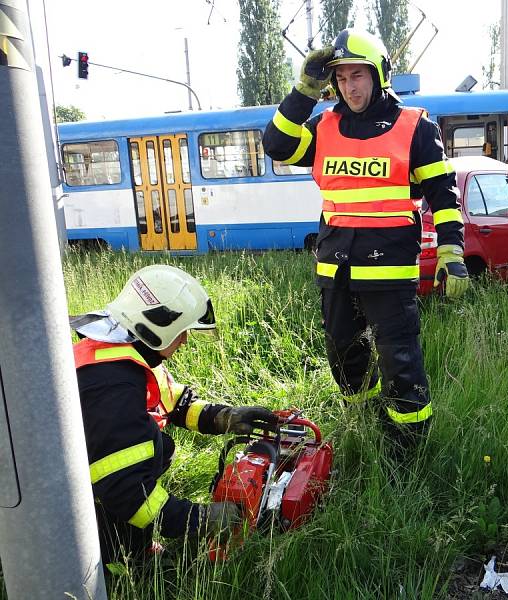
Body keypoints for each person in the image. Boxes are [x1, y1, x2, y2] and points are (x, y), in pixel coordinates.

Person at [262, 29, 468, 452]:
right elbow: (276, 145)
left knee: (401, 364)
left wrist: (452, 251)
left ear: (378, 74)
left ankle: (409, 451)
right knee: (344, 357)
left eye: (357, 74)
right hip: (334, 267)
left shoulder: (415, 127)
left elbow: (443, 196)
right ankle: (367, 425)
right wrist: (304, 91)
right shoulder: (324, 126)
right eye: (340, 78)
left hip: (389, 271)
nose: (349, 86)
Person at [71, 264, 278, 567]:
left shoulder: (117, 349)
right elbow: (126, 491)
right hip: (59, 502)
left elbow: (172, 400)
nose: (184, 341)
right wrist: (198, 519)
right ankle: (120, 562)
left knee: (155, 452)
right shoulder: (113, 386)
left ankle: (127, 544)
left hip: (80, 478)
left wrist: (222, 417)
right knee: (143, 463)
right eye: (181, 332)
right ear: (157, 326)